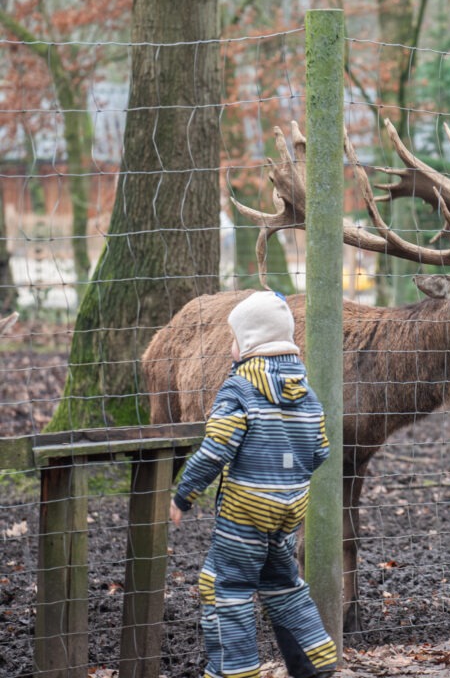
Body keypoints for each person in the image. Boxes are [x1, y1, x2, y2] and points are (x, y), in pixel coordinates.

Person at [169, 290, 337, 678]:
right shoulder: (306, 393)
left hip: (245, 511)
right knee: (284, 584)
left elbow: (216, 450)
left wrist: (184, 495)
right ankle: (318, 662)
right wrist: (287, 475)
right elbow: (320, 451)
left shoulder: (239, 390)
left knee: (224, 585)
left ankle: (235, 671)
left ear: (248, 343)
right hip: (288, 509)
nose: (230, 346)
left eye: (233, 338)